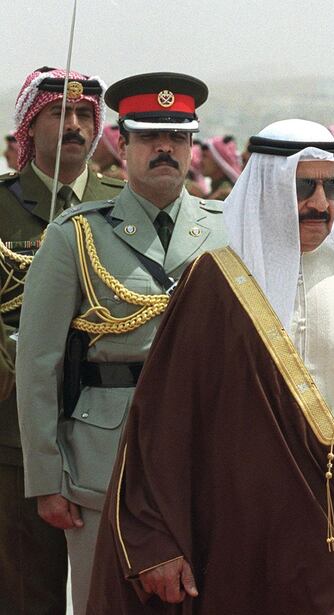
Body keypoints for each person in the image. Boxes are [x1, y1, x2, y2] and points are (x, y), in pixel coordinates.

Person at [86, 119, 334, 614]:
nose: (319, 204)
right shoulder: (215, 284)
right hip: (232, 544)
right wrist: (157, 542)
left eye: (331, 186)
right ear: (268, 189)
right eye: (302, 186)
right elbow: (162, 424)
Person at [15, 71, 228, 615]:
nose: (165, 149)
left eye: (178, 137)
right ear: (124, 145)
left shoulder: (226, 232)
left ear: (191, 147)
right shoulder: (75, 234)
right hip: (101, 460)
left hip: (204, 455)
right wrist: (46, 478)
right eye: (150, 137)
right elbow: (38, 363)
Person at [0, 65, 124, 614]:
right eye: (58, 113)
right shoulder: (4, 205)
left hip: (109, 435)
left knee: (112, 594)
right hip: (17, 437)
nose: (74, 125)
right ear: (29, 123)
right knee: (28, 593)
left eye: (83, 115)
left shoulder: (126, 205)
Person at [200, 135, 242, 200]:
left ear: (218, 160)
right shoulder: (216, 190)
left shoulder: (225, 194)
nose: (201, 161)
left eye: (205, 156)